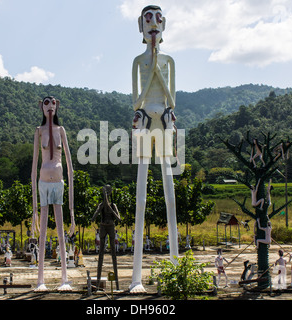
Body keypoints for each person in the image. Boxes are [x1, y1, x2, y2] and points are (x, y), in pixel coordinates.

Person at [130, 4, 178, 294]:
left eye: (158, 20)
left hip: (164, 116)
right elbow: (136, 99)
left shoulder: (169, 61)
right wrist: (152, 63)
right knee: (141, 193)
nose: (154, 24)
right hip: (146, 116)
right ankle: (136, 276)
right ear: (141, 26)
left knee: (169, 189)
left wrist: (159, 61)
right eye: (148, 20)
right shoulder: (138, 61)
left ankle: (175, 268)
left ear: (164, 25)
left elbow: (173, 97)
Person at [31, 96, 75, 292]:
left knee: (60, 230)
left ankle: (64, 278)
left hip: (58, 181)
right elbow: (33, 166)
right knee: (41, 235)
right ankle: (40, 280)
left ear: (57, 106)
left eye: (54, 103)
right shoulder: (39, 132)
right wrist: (33, 210)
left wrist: (72, 211)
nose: (50, 106)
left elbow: (70, 167)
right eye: (47, 103)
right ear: (42, 106)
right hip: (43, 182)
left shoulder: (61, 130)